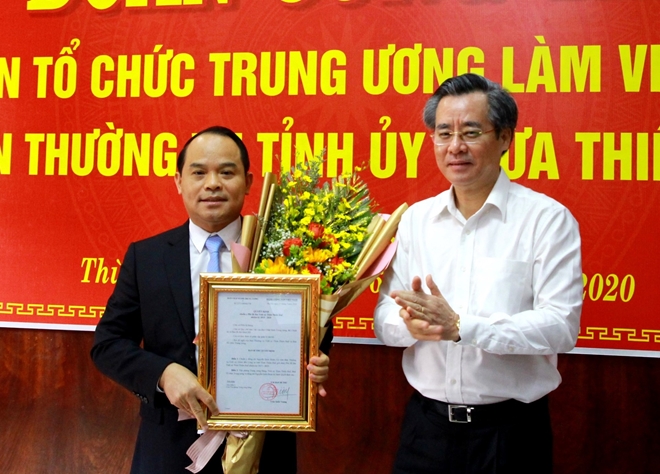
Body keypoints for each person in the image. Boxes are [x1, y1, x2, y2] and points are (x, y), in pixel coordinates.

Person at [91, 126, 331, 474]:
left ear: (248, 182)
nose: (213, 184)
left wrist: (317, 362)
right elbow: (108, 344)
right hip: (169, 449)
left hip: (265, 446)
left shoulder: (286, 253)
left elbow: (316, 334)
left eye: (227, 172)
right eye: (199, 172)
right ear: (179, 182)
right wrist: (163, 374)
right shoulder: (147, 257)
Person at [374, 74, 582, 474]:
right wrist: (410, 325)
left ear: (504, 137)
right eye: (444, 133)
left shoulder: (547, 220)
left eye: (471, 132)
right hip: (426, 430)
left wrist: (460, 327)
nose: (455, 146)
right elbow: (384, 319)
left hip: (511, 434)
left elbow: (561, 326)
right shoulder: (416, 220)